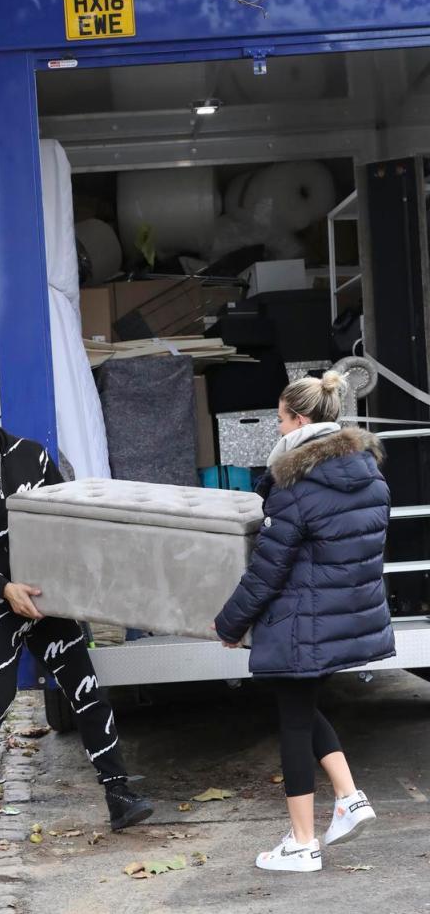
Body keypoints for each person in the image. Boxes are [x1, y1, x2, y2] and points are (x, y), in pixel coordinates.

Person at [0, 379, 153, 841]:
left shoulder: (31, 455)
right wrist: (5, 587)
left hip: (49, 600)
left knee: (87, 692)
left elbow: (65, 520)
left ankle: (119, 796)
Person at [214, 371, 395, 873]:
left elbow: (267, 569)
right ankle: (349, 797)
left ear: (298, 420)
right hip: (342, 618)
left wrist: (230, 624)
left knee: (294, 722)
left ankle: (302, 842)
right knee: (302, 705)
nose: (275, 429)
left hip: (302, 620)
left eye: (278, 419)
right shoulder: (369, 474)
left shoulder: (295, 484)